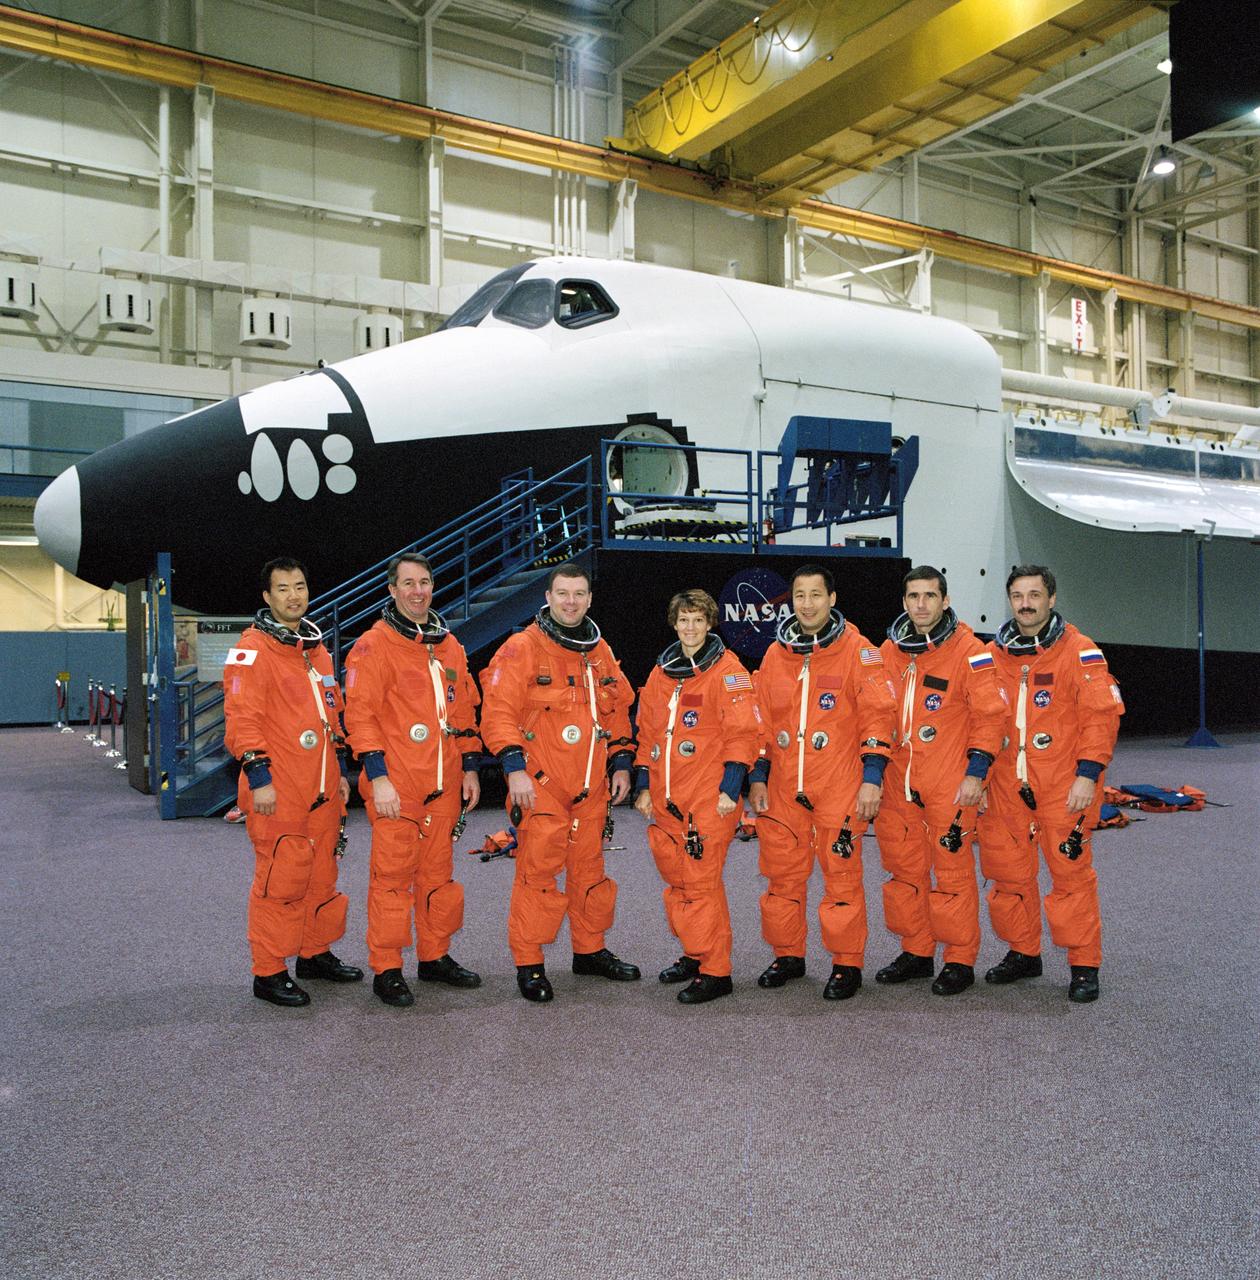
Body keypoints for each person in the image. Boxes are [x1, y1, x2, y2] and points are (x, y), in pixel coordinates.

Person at [480, 561, 638, 1003]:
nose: (571, 602)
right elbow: (497, 713)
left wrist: (622, 761)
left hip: (590, 786)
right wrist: (514, 771)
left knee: (589, 870)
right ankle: (529, 962)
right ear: (547, 598)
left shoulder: (599, 650)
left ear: (589, 599)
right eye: (562, 593)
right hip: (541, 782)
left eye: (579, 594)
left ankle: (589, 951)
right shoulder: (522, 648)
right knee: (538, 872)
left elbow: (617, 706)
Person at [747, 564, 897, 1001]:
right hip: (783, 789)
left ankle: (846, 963)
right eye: (800, 596)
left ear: (833, 599)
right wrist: (757, 777)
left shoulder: (858, 651)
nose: (808, 604)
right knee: (781, 878)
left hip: (840, 784)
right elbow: (760, 721)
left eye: (816, 595)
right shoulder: (777, 654)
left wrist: (872, 779)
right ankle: (789, 955)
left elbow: (878, 716)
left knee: (842, 880)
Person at [978, 565, 1124, 1003]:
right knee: (1007, 874)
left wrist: (1088, 775)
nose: (1026, 603)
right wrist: (981, 775)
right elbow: (981, 719)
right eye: (1018, 595)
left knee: (1070, 877)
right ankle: (1024, 952)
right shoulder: (993, 657)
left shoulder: (1079, 652)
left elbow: (1100, 719)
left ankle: (1083, 964)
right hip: (1006, 786)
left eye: (1035, 595)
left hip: (1063, 786)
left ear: (1052, 598)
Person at [343, 554, 483, 1008]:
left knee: (438, 876)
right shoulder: (373, 646)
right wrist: (379, 779)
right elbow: (359, 718)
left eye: (424, 582)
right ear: (392, 590)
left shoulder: (449, 646)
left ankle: (434, 956)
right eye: (408, 583)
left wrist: (471, 770)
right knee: (391, 880)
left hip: (443, 785)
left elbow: (463, 714)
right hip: (397, 786)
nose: (418, 591)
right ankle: (386, 967)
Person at [223, 557, 362, 1007]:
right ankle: (267, 971)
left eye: (299, 586)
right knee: (279, 878)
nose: (293, 596)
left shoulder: (315, 649)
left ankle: (314, 953)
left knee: (321, 874)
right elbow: (242, 720)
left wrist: (340, 772)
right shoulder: (251, 650)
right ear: (267, 597)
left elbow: (331, 715)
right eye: (282, 589)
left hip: (322, 788)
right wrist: (259, 778)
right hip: (278, 788)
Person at [872, 566, 1007, 996]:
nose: (921, 605)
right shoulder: (890, 652)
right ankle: (916, 951)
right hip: (898, 780)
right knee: (904, 870)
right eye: (913, 596)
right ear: (904, 602)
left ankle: (959, 958)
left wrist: (977, 773)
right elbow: (873, 712)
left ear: (945, 601)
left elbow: (991, 716)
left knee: (951, 872)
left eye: (930, 596)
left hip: (949, 780)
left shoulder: (971, 651)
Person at [633, 589, 759, 1004]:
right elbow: (649, 733)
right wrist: (643, 786)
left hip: (708, 796)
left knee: (702, 884)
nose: (690, 628)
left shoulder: (728, 671)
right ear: (674, 624)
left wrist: (731, 788)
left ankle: (717, 970)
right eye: (683, 620)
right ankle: (694, 952)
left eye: (698, 620)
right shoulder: (661, 672)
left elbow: (744, 732)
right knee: (678, 880)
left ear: (710, 624)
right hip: (668, 796)